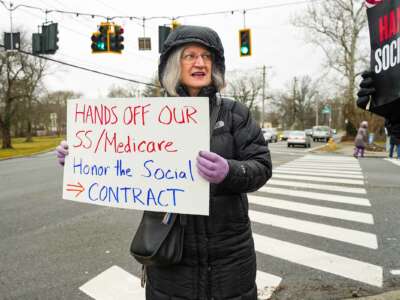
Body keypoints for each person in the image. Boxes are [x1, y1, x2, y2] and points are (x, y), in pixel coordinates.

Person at [56, 25, 272, 300]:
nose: (200, 62)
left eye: (207, 56)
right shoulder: (149, 115)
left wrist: (230, 170)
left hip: (230, 255)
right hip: (169, 254)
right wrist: (80, 156)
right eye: (190, 55)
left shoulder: (234, 114)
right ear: (173, 64)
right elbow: (118, 154)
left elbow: (262, 166)